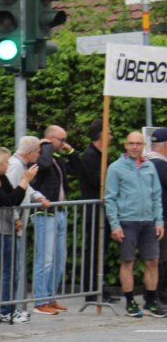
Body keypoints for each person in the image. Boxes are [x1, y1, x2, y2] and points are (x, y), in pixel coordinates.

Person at [104, 131, 165, 318]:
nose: (134, 147)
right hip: (127, 221)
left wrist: (159, 220)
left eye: (138, 143)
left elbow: (156, 195)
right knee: (128, 261)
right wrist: (115, 225)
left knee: (152, 262)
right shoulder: (116, 168)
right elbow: (110, 198)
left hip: (149, 221)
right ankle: (130, 302)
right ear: (125, 145)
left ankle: (151, 302)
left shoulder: (149, 166)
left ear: (143, 146)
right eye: (131, 143)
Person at [0, 145, 38, 325]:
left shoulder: (1, 178)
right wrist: (25, 180)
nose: (8, 164)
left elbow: (13, 199)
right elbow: (9, 200)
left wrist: (23, 184)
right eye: (5, 162)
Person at [31, 125, 81, 313]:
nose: (64, 143)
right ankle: (40, 300)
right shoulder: (41, 156)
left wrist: (71, 151)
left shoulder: (57, 158)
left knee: (59, 260)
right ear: (50, 140)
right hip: (44, 213)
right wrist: (46, 146)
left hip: (59, 211)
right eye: (61, 140)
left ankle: (50, 297)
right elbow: (43, 166)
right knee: (45, 259)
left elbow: (77, 169)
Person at [0, 136, 44, 321]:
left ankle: (9, 309)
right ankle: (7, 310)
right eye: (38, 151)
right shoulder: (16, 166)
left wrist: (38, 196)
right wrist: (16, 218)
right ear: (30, 152)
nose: (39, 155)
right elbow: (10, 194)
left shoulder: (20, 166)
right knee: (11, 271)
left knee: (13, 270)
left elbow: (25, 188)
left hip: (13, 225)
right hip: (8, 226)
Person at [74, 120, 116, 302]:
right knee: (94, 251)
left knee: (101, 251)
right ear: (100, 134)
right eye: (109, 132)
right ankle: (91, 291)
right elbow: (97, 181)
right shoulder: (90, 155)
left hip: (103, 210)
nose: (111, 136)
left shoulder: (103, 154)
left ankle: (100, 288)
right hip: (94, 212)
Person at [146, 128, 167, 298]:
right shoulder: (161, 166)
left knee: (155, 258)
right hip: (161, 218)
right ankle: (159, 294)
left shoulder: (145, 163)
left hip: (149, 217)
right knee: (160, 258)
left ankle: (155, 294)